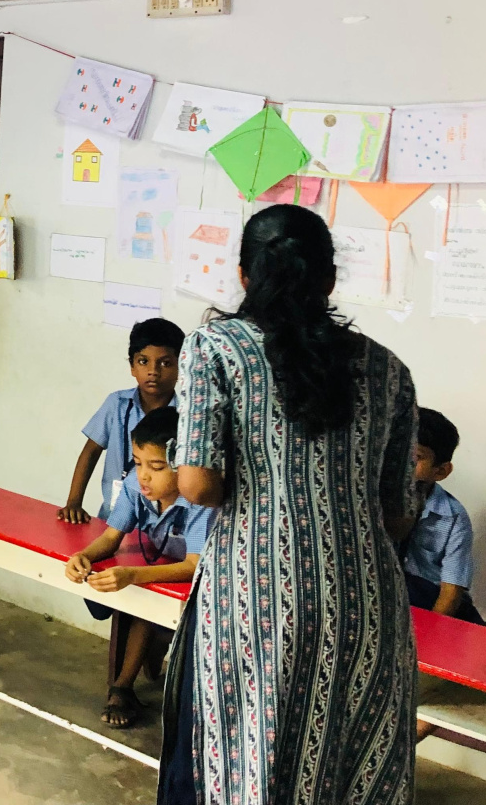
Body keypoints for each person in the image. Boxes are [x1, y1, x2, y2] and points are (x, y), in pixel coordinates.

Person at [161, 204, 418, 805]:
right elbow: (399, 514)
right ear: (330, 278)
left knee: (252, 753)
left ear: (244, 275)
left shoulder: (215, 348)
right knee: (348, 761)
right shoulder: (388, 369)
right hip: (365, 601)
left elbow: (197, 486)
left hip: (255, 597)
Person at [64, 407, 211, 730]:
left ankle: (128, 683)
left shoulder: (199, 499)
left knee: (149, 602)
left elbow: (194, 566)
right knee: (143, 602)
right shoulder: (135, 484)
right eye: (138, 462)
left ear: (185, 466)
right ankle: (126, 683)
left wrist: (132, 575)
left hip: (205, 581)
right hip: (162, 569)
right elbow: (111, 537)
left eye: (156, 467)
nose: (143, 475)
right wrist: (83, 555)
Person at [60, 318, 184, 524]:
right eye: (143, 361)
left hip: (160, 526)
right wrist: (74, 501)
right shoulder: (117, 404)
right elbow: (91, 452)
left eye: (165, 363)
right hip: (111, 518)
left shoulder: (184, 417)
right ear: (132, 367)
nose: (153, 371)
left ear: (181, 368)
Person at [402, 408, 480, 623]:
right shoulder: (374, 500)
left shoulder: (454, 518)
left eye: (416, 457)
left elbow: (451, 591)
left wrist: (431, 631)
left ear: (441, 471)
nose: (403, 464)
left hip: (434, 600)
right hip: (395, 594)